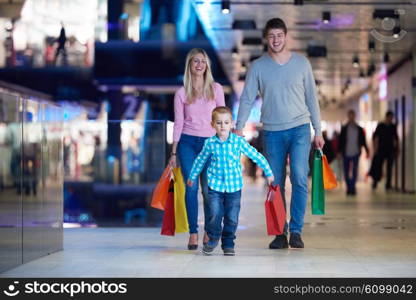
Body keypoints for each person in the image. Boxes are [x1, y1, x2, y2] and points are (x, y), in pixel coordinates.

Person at [235, 18, 324, 249]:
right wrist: (238, 127)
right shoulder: (258, 66)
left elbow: (311, 99)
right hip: (272, 131)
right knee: (275, 182)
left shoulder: (302, 64)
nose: (275, 40)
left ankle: (296, 231)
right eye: (271, 36)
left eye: (279, 35)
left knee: (299, 177)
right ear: (266, 38)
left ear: (286, 36)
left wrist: (319, 130)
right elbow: (246, 98)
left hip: (300, 129)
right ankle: (279, 233)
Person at [187, 107, 274, 256]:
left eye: (226, 122)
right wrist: (192, 176)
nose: (222, 126)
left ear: (231, 124)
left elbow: (255, 155)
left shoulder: (238, 142)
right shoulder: (209, 143)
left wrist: (268, 172)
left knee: (232, 218)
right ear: (212, 124)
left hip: (234, 188)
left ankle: (228, 243)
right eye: (219, 123)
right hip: (215, 187)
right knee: (215, 214)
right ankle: (213, 238)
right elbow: (200, 160)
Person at [169, 48, 225, 250]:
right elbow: (178, 122)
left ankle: (209, 231)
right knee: (191, 188)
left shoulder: (216, 89)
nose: (199, 65)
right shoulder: (182, 93)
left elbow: (222, 118)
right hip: (187, 144)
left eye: (203, 61)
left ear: (207, 65)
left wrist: (224, 145)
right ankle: (193, 233)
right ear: (189, 66)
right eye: (195, 61)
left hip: (211, 144)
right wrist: (174, 152)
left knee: (209, 191)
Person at [339, 110, 369, 195]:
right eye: (350, 115)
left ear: (354, 116)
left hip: (356, 152)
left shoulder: (359, 129)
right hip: (346, 153)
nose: (351, 117)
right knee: (346, 171)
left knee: (354, 171)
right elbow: (341, 141)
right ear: (348, 116)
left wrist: (366, 150)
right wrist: (338, 152)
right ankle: (349, 187)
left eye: (352, 115)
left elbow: (363, 141)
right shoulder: (344, 128)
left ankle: (353, 187)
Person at [369, 111, 399, 190]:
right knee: (378, 166)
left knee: (390, 167)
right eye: (390, 117)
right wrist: (375, 148)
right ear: (387, 117)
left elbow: (396, 138)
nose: (391, 119)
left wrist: (397, 149)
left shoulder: (393, 127)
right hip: (381, 149)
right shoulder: (380, 126)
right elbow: (375, 137)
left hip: (390, 149)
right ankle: (375, 181)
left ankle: (388, 184)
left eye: (392, 118)